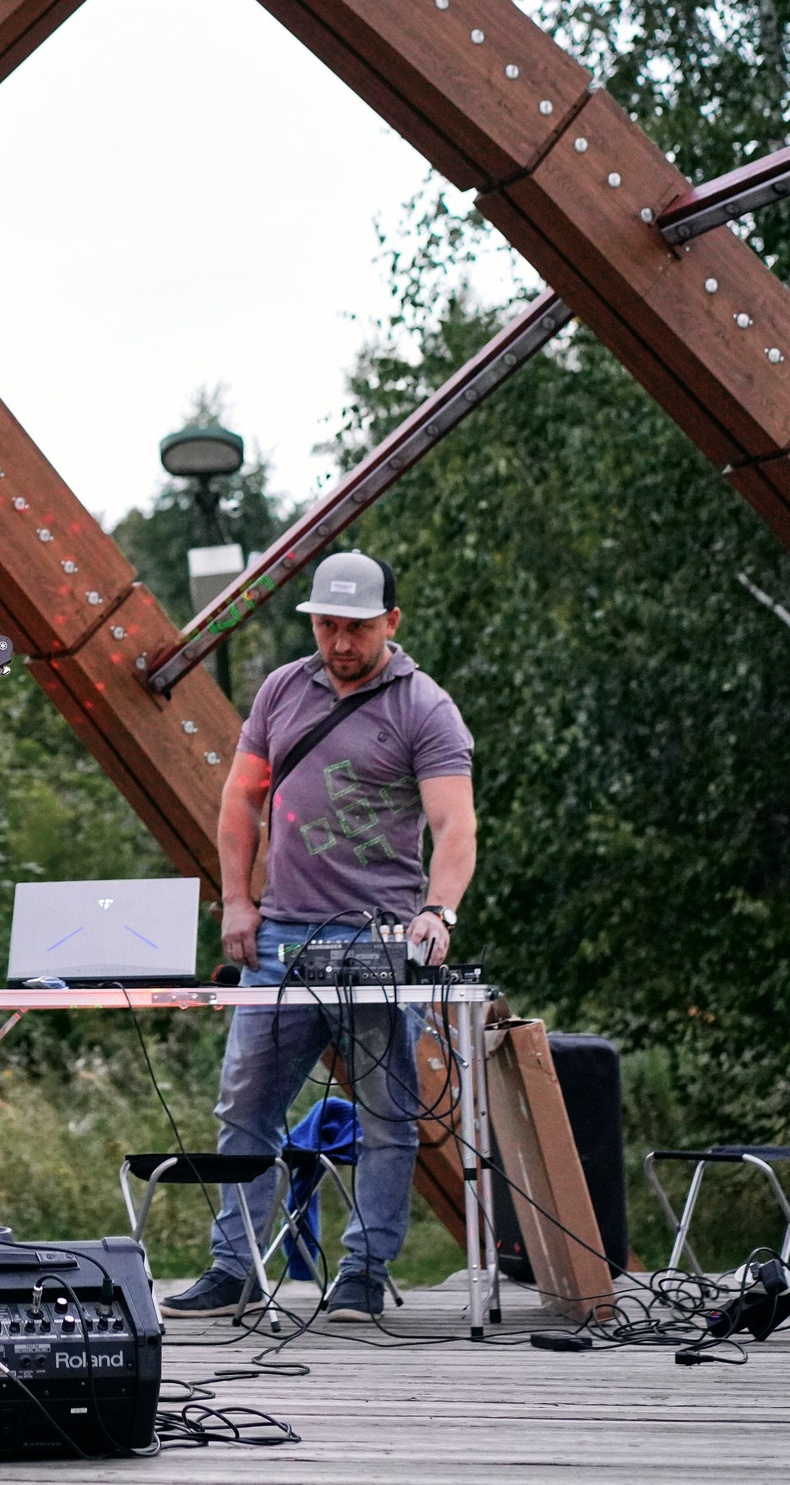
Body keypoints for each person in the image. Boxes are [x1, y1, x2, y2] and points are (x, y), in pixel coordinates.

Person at [162, 550, 477, 1325]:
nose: (340, 642)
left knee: (385, 1110)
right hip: (278, 939)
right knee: (245, 1105)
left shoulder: (424, 707)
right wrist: (237, 900)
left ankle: (364, 1272)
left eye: (357, 628)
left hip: (376, 943)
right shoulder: (280, 690)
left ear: (391, 624)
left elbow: (454, 824)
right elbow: (241, 800)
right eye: (328, 625)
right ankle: (234, 1268)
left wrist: (438, 911)